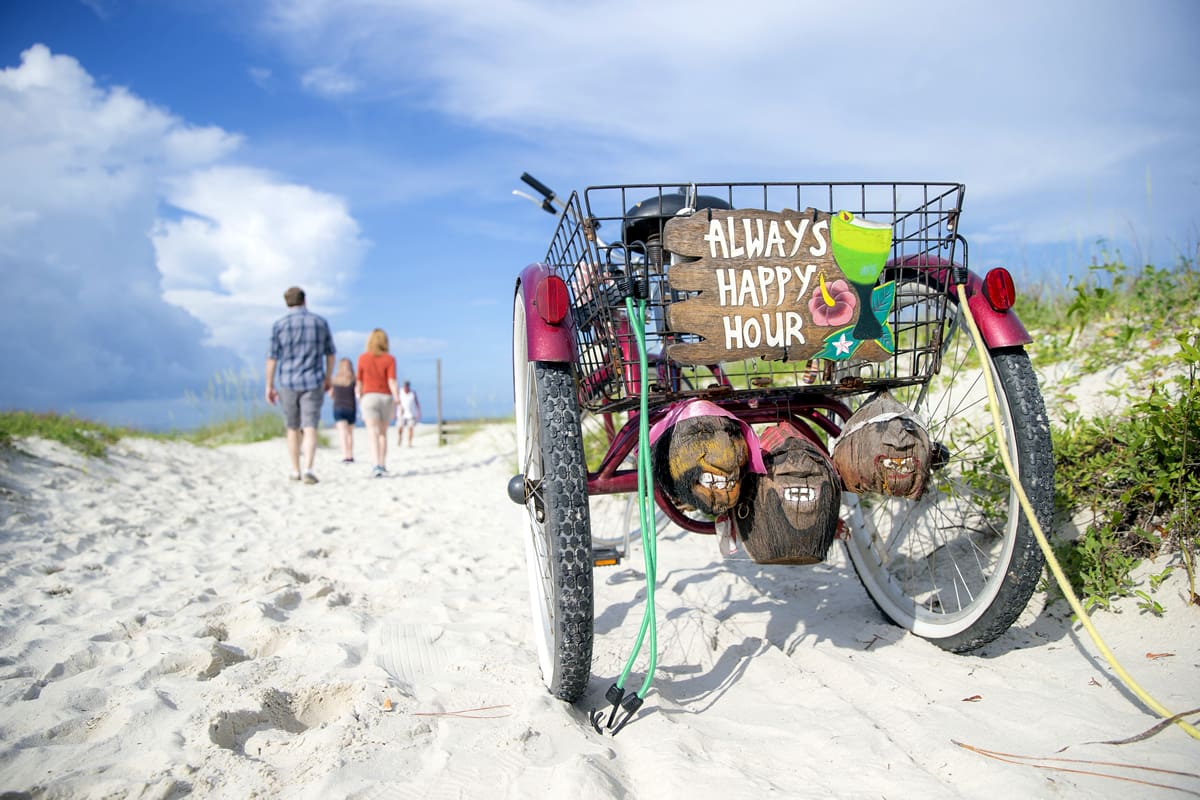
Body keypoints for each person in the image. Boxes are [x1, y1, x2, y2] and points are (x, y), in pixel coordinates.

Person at [265, 286, 335, 484]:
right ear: (305, 300)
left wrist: (269, 385)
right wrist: (328, 377)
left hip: (287, 381)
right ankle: (309, 468)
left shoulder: (279, 325)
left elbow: (272, 358)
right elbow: (330, 354)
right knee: (310, 425)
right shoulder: (320, 323)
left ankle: (295, 470)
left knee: (292, 427)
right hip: (313, 380)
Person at [356, 328, 400, 478]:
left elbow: (359, 381)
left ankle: (376, 465)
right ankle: (382, 463)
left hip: (369, 397)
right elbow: (392, 380)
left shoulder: (363, 358)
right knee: (382, 433)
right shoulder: (390, 359)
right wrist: (396, 397)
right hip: (385, 397)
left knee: (372, 433)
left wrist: (358, 396)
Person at [329, 357, 357, 463]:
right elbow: (358, 393)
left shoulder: (335, 379)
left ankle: (345, 455)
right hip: (351, 408)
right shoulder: (353, 379)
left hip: (338, 407)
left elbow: (331, 394)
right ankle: (350, 455)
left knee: (342, 433)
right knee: (350, 433)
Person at [396, 380, 421, 447]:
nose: (406, 387)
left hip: (411, 414)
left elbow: (417, 403)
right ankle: (400, 437)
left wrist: (418, 412)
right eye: (405, 385)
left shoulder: (412, 393)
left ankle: (409, 443)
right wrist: (396, 410)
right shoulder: (400, 392)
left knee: (410, 428)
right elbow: (396, 401)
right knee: (400, 428)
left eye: (407, 386)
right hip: (401, 414)